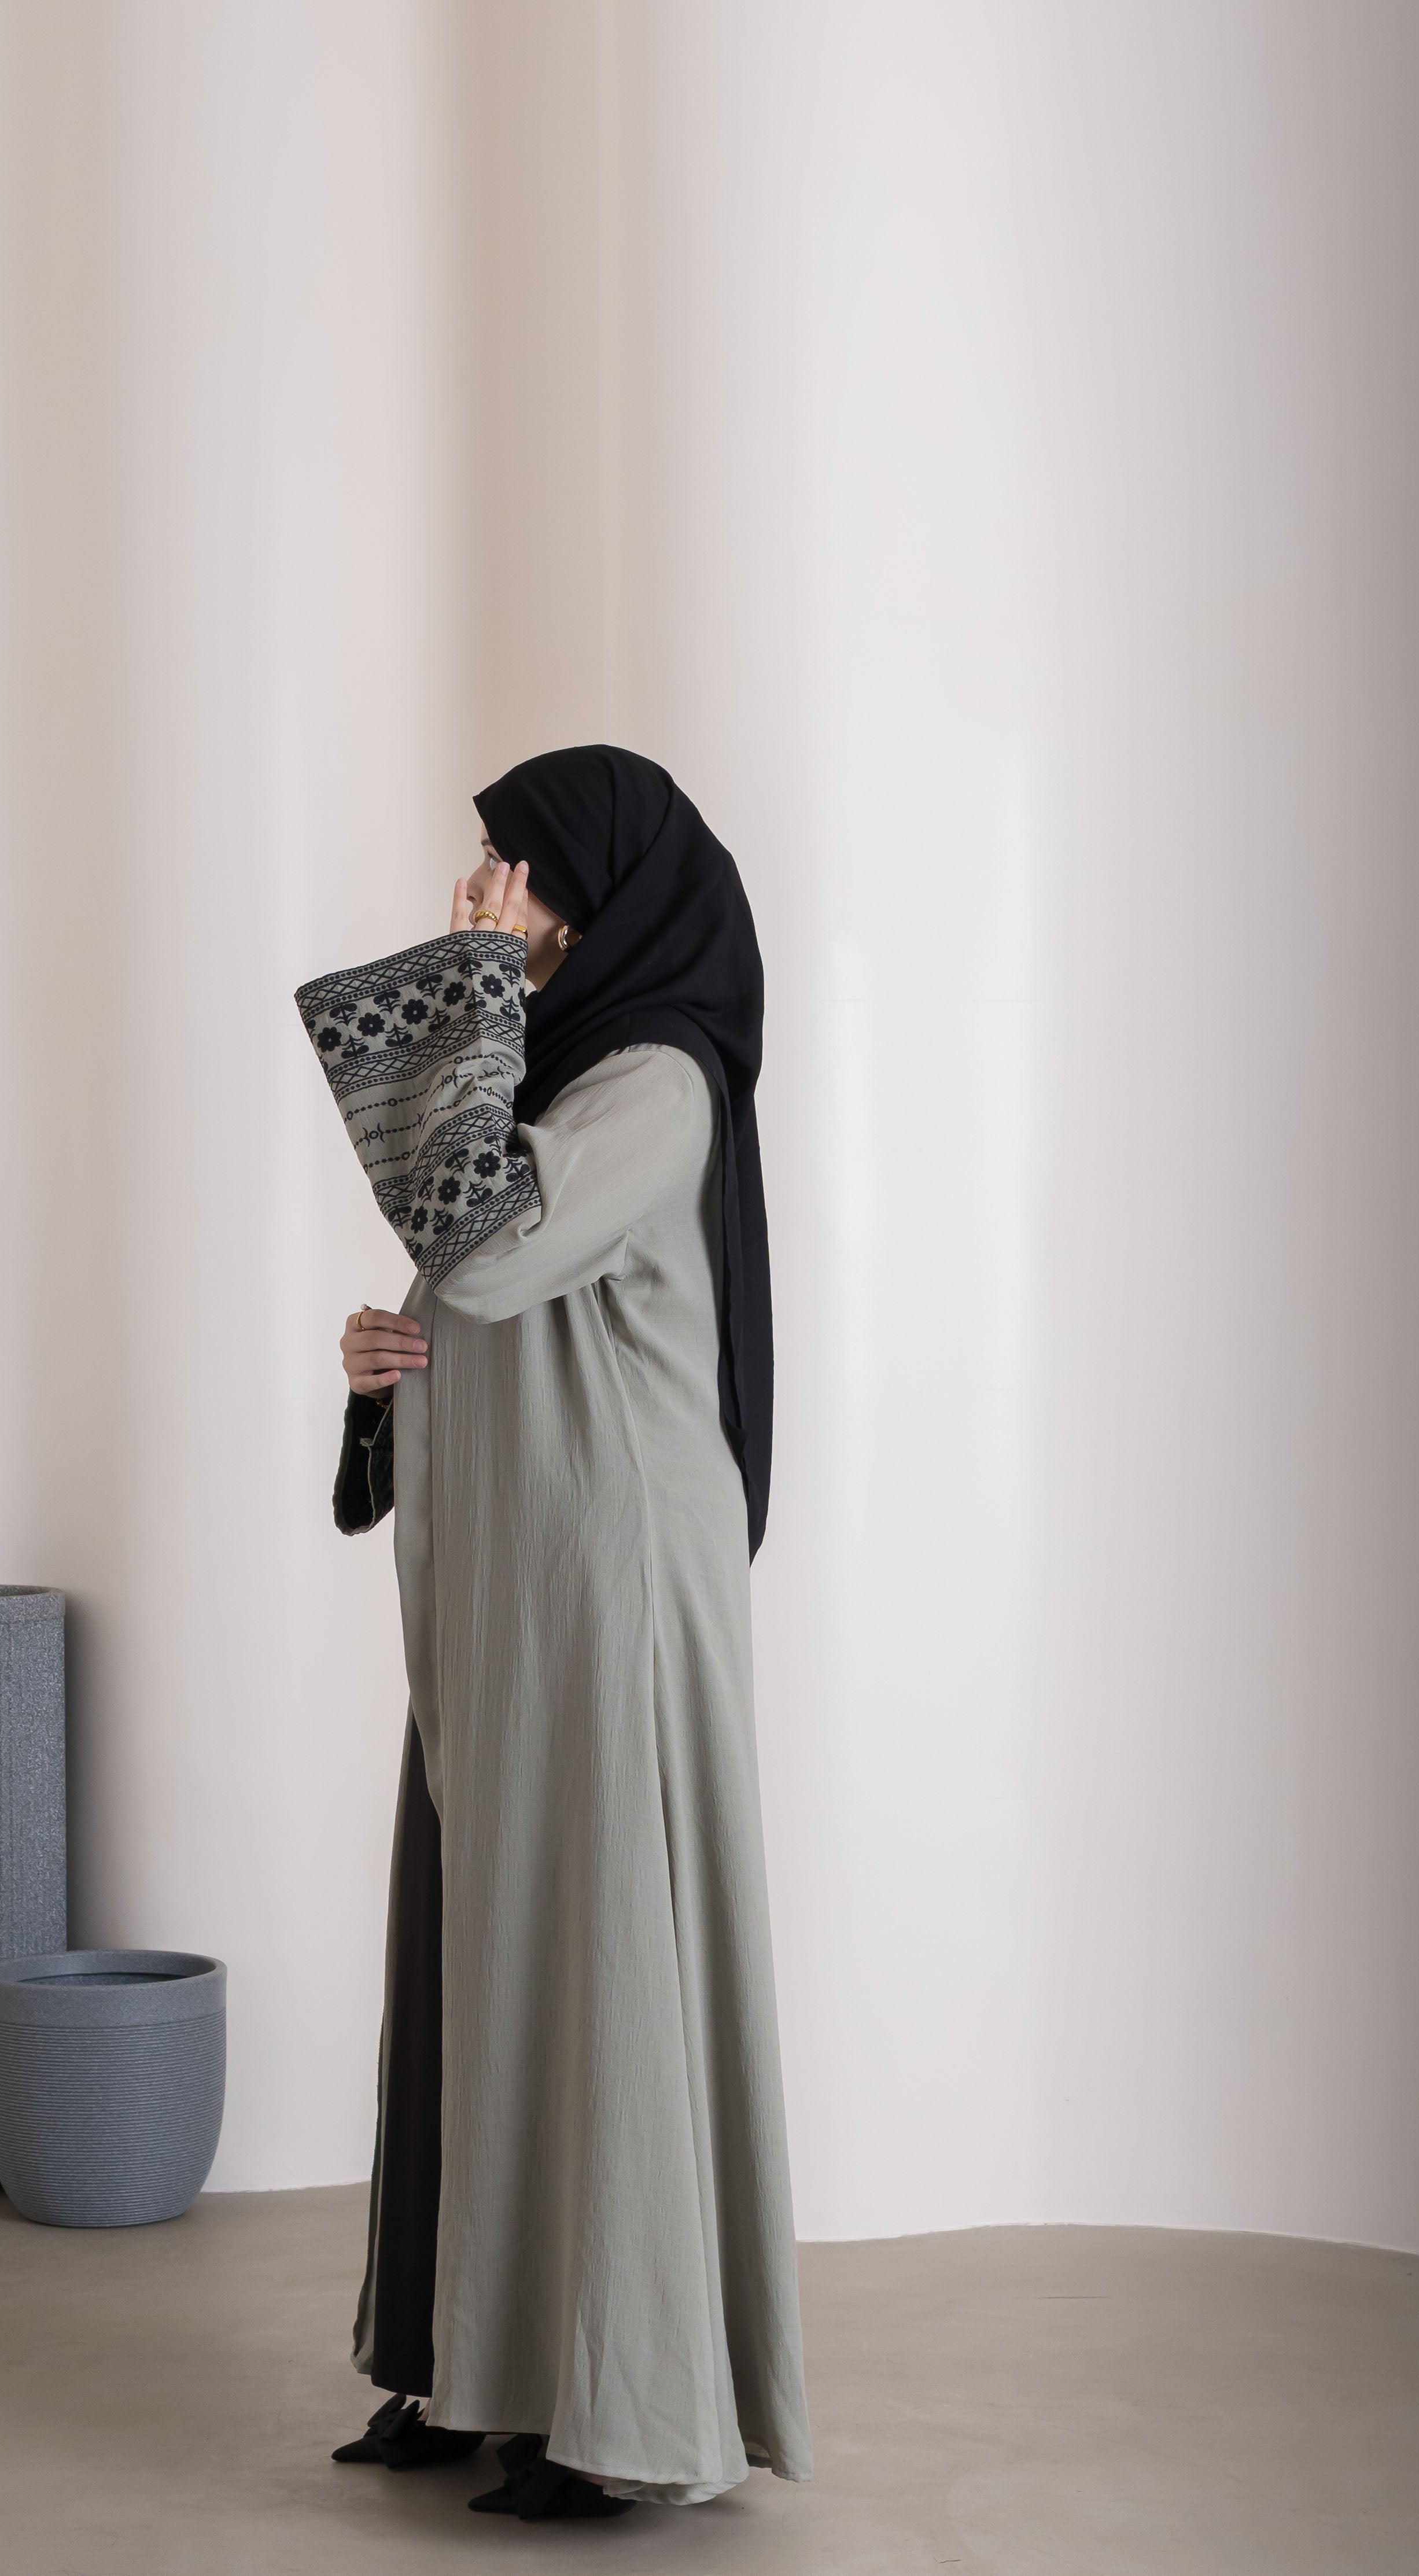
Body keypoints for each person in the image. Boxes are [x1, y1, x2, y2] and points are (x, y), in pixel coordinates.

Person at [294, 745, 811, 2520]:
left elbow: (494, 1248)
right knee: (483, 1949)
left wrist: (463, 989)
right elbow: (471, 1275)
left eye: (513, 871)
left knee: (588, 1965)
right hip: (517, 1585)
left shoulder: (653, 1078)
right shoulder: (563, 1075)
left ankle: (615, 2409)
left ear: (598, 889)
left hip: (604, 1587)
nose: (486, 900)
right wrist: (385, 1361)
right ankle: (474, 2362)